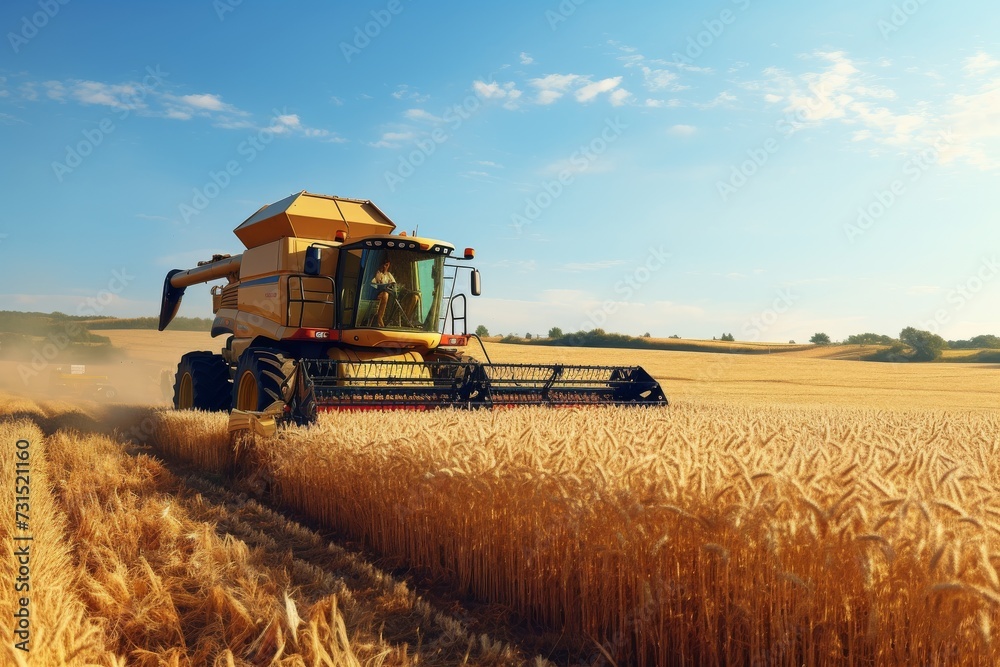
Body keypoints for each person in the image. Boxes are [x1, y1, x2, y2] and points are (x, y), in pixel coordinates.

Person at [371, 257, 419, 327]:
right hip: (385, 294)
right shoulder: (377, 274)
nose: (385, 267)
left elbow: (394, 285)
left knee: (414, 296)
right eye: (384, 265)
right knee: (385, 295)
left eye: (387, 265)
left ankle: (407, 320)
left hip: (393, 294)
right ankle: (380, 320)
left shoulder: (389, 274)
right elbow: (374, 286)